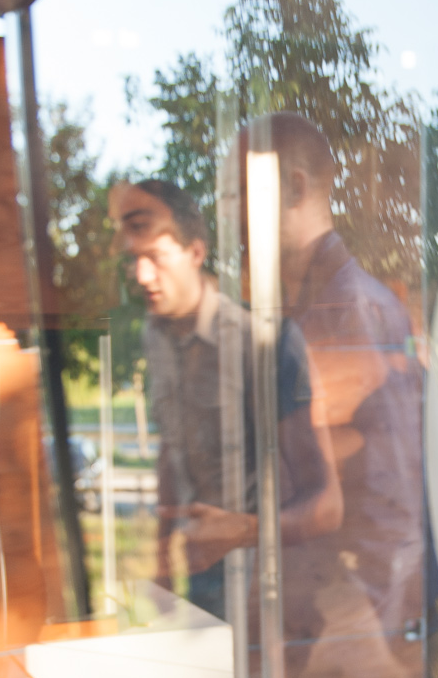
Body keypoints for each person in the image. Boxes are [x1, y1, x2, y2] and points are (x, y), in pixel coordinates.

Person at [233, 115, 426, 678]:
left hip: (350, 630)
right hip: (341, 626)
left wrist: (357, 642)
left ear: (295, 188)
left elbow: (382, 503)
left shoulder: (342, 313)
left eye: (239, 195)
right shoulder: (324, 305)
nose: (230, 217)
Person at [109, 177, 340, 618]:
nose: (141, 276)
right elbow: (173, 447)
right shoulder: (154, 335)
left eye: (155, 257)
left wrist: (241, 531)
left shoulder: (262, 342)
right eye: (133, 260)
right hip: (200, 572)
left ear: (196, 253)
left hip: (270, 584)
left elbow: (327, 506)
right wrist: (162, 556)